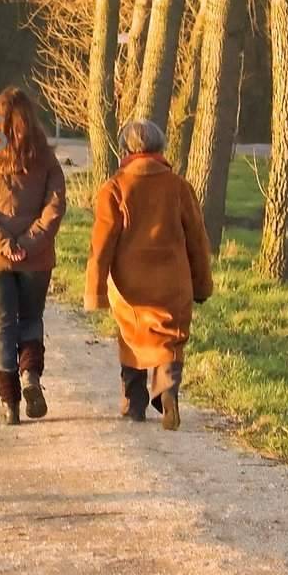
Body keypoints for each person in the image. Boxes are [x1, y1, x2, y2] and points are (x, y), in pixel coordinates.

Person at [85, 120, 212, 431]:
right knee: (169, 340)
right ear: (160, 148)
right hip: (173, 280)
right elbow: (197, 240)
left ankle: (134, 403)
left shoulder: (114, 188)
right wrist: (202, 285)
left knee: (132, 338)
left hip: (130, 285)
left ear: (126, 150)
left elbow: (101, 246)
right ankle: (167, 391)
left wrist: (95, 291)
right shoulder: (180, 187)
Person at [0, 87, 67, 425]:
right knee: (31, 319)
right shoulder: (46, 158)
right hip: (36, 259)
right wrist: (30, 242)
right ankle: (31, 378)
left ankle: (10, 405)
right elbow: (55, 207)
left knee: (2, 326)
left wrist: (4, 243)